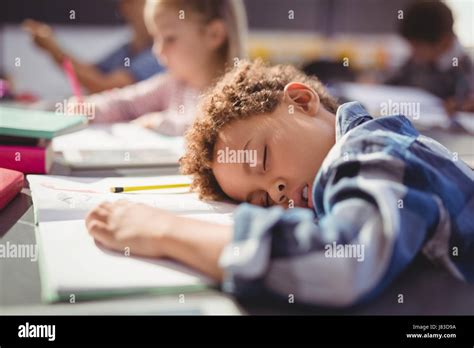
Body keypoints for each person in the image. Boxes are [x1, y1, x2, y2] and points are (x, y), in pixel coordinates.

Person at [85, 60, 474, 307]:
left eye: (263, 159)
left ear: (302, 102)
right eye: (261, 201)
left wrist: (165, 230)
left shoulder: (372, 149)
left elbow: (342, 262)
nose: (277, 194)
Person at [76, 0, 247, 136]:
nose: (157, 50)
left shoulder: (239, 94)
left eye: (169, 38)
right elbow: (125, 104)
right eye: (155, 39)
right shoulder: (173, 84)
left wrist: (163, 124)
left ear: (214, 34)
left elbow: (215, 130)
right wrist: (89, 109)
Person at [23, 0, 163, 93]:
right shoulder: (126, 49)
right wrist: (51, 47)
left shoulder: (160, 53)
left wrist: (54, 49)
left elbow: (104, 86)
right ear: (124, 7)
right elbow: (91, 72)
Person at [387, 1, 474, 113]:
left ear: (443, 41)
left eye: (418, 46)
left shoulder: (465, 70)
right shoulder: (416, 62)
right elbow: (392, 84)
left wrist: (460, 106)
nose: (413, 52)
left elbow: (464, 103)